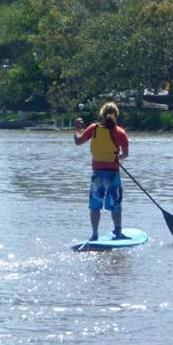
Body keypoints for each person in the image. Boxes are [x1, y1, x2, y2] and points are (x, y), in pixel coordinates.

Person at [73, 101, 130, 241]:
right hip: (113, 173)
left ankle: (94, 234)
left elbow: (78, 142)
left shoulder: (93, 128)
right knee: (116, 205)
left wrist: (76, 129)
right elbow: (125, 154)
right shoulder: (120, 132)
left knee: (95, 206)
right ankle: (118, 232)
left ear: (102, 115)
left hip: (97, 174)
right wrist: (118, 158)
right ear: (116, 115)